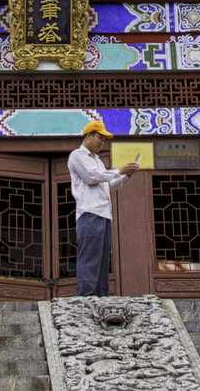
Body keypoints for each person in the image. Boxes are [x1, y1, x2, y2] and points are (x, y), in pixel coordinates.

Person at [68, 118, 140, 297]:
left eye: (104, 140)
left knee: (101, 261)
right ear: (89, 135)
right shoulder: (77, 155)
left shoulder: (98, 161)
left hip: (104, 215)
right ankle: (86, 297)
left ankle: (101, 297)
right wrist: (118, 170)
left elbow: (109, 184)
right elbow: (92, 177)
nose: (102, 143)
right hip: (89, 213)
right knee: (90, 258)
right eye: (100, 138)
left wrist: (126, 176)